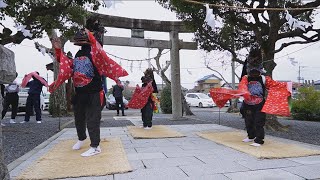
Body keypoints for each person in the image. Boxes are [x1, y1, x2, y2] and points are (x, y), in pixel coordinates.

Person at [239, 47, 289, 147]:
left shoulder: (264, 78)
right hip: (248, 103)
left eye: (256, 70)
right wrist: (244, 93)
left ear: (260, 69)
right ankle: (250, 136)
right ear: (248, 69)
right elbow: (242, 87)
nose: (253, 72)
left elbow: (275, 85)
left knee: (259, 122)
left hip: (259, 104)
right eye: (251, 70)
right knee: (248, 121)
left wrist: (288, 86)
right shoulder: (245, 78)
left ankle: (259, 140)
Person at [70, 29, 103, 157]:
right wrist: (57, 51)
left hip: (93, 91)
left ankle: (95, 146)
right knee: (78, 117)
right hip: (80, 91)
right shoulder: (78, 54)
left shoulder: (96, 52)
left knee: (92, 119)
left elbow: (105, 66)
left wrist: (116, 79)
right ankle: (81, 138)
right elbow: (69, 67)